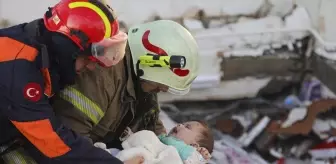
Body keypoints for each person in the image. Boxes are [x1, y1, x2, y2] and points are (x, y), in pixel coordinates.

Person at [0, 0, 141, 163]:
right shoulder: (20, 69)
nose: (91, 67)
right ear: (67, 49)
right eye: (87, 59)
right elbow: (54, 145)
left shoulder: (42, 51)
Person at [51, 20, 200, 153]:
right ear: (151, 62)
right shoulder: (103, 75)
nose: (164, 89)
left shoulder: (143, 78)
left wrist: (178, 151)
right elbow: (71, 141)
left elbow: (151, 125)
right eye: (163, 84)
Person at [95, 120, 214, 164]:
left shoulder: (188, 154)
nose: (180, 125)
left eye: (187, 127)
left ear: (194, 146)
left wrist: (200, 156)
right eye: (182, 123)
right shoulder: (163, 140)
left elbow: (195, 160)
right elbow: (150, 143)